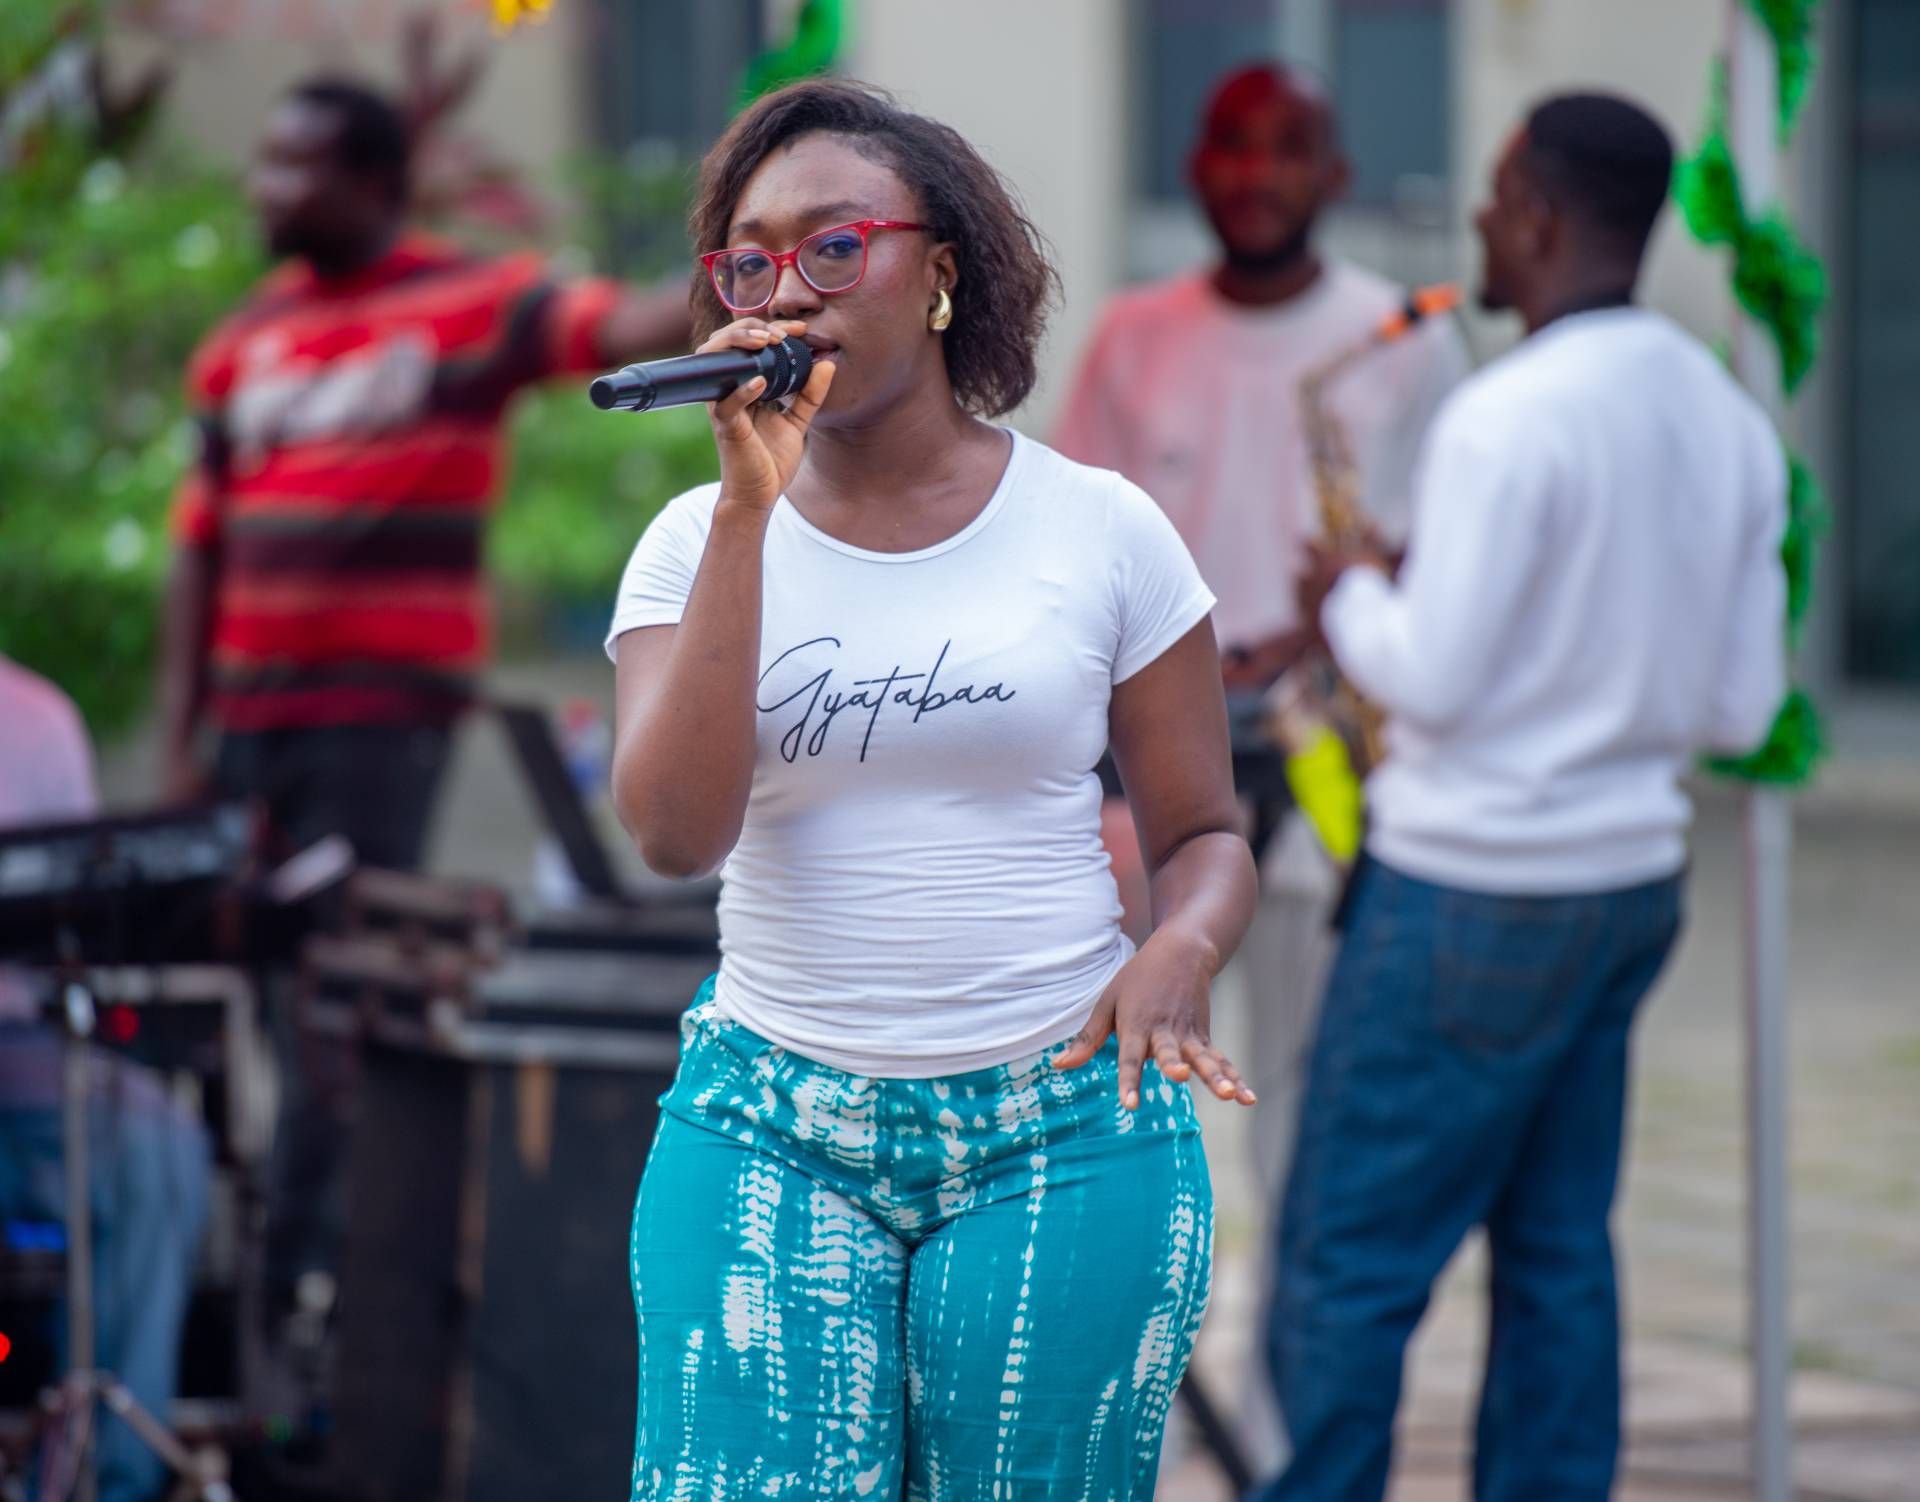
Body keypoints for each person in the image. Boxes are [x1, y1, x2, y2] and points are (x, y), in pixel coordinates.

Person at [605, 80, 1260, 1497]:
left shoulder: (1101, 529)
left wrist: (1182, 948)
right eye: (751, 262)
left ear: (942, 271)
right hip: (770, 1124)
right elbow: (670, 832)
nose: (791, 290)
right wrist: (745, 515)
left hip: (1063, 1121)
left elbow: (1206, 830)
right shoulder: (691, 541)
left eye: (836, 248)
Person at [1263, 92, 1789, 1502]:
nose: (1482, 224)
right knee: (1559, 1254)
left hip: (1468, 886)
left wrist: (1350, 591)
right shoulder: (1730, 419)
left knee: (1346, 1257)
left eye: (1497, 198)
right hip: (1628, 888)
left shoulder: (1504, 415)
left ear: (1542, 216)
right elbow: (1741, 713)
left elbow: (1428, 682)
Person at [154, 76, 689, 1313]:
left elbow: (623, 324)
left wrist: (746, 267)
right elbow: (196, 547)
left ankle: (309, 1293)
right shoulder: (238, 343)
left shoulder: (471, 304)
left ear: (377, 183)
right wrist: (185, 742)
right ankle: (255, 1287)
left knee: (333, 1007)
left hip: (378, 725)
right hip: (246, 731)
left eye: (296, 164)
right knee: (244, 1002)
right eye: (267, 160)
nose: (265, 187)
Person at [1054, 60, 1470, 1471]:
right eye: (1231, 146)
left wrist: (1337, 612)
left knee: (1303, 1125)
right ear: (1195, 164)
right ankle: (1101, 1430)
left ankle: (1285, 1451)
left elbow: (1447, 553)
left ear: (1335, 173)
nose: (1256, 174)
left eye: (1287, 148)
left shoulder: (1399, 341)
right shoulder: (1134, 336)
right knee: (1105, 1115)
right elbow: (1071, 556)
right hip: (1143, 788)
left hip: (1325, 775)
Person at [0, 656, 212, 1502]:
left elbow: (79, 910)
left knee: (155, 1142)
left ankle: (99, 1479)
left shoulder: (36, 717)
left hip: (16, 1048)